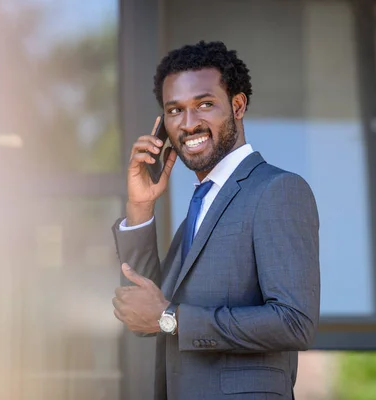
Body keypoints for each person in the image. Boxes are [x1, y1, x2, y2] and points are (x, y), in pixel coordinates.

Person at [111, 40, 320, 400]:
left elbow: (294, 322)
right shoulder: (201, 204)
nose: (189, 124)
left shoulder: (278, 190)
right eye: (175, 111)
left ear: (238, 106)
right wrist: (140, 207)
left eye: (204, 105)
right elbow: (142, 312)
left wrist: (173, 319)